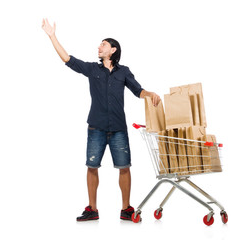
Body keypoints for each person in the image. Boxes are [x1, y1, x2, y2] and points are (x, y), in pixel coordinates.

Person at [42, 18, 161, 221]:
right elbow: (67, 59)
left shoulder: (124, 72)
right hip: (96, 127)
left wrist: (149, 94)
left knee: (124, 167)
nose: (99, 47)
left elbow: (137, 90)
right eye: (100, 44)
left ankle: (126, 209)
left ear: (113, 50)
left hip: (118, 129)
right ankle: (92, 209)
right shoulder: (92, 69)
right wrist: (52, 36)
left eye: (103, 44)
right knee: (92, 166)